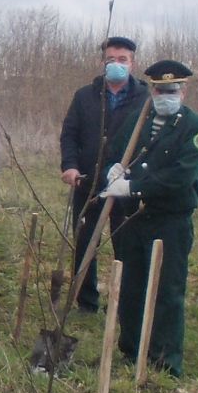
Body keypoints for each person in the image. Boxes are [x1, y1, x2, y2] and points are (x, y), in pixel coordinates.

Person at [105, 59, 198, 377]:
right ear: (151, 89)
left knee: (167, 290)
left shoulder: (196, 127)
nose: (166, 94)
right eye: (160, 90)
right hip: (134, 219)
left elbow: (180, 176)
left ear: (183, 91)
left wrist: (134, 186)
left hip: (171, 220)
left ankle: (165, 359)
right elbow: (119, 148)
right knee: (132, 286)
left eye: (172, 90)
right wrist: (115, 168)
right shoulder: (140, 120)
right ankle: (132, 348)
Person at [60, 36, 148, 312]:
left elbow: (150, 141)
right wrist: (70, 166)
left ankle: (126, 305)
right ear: (102, 63)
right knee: (86, 244)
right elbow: (69, 135)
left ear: (132, 64)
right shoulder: (86, 96)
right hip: (88, 183)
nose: (116, 65)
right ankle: (86, 303)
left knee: (127, 245)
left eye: (122, 60)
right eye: (111, 60)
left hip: (126, 186)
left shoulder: (144, 98)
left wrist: (137, 177)